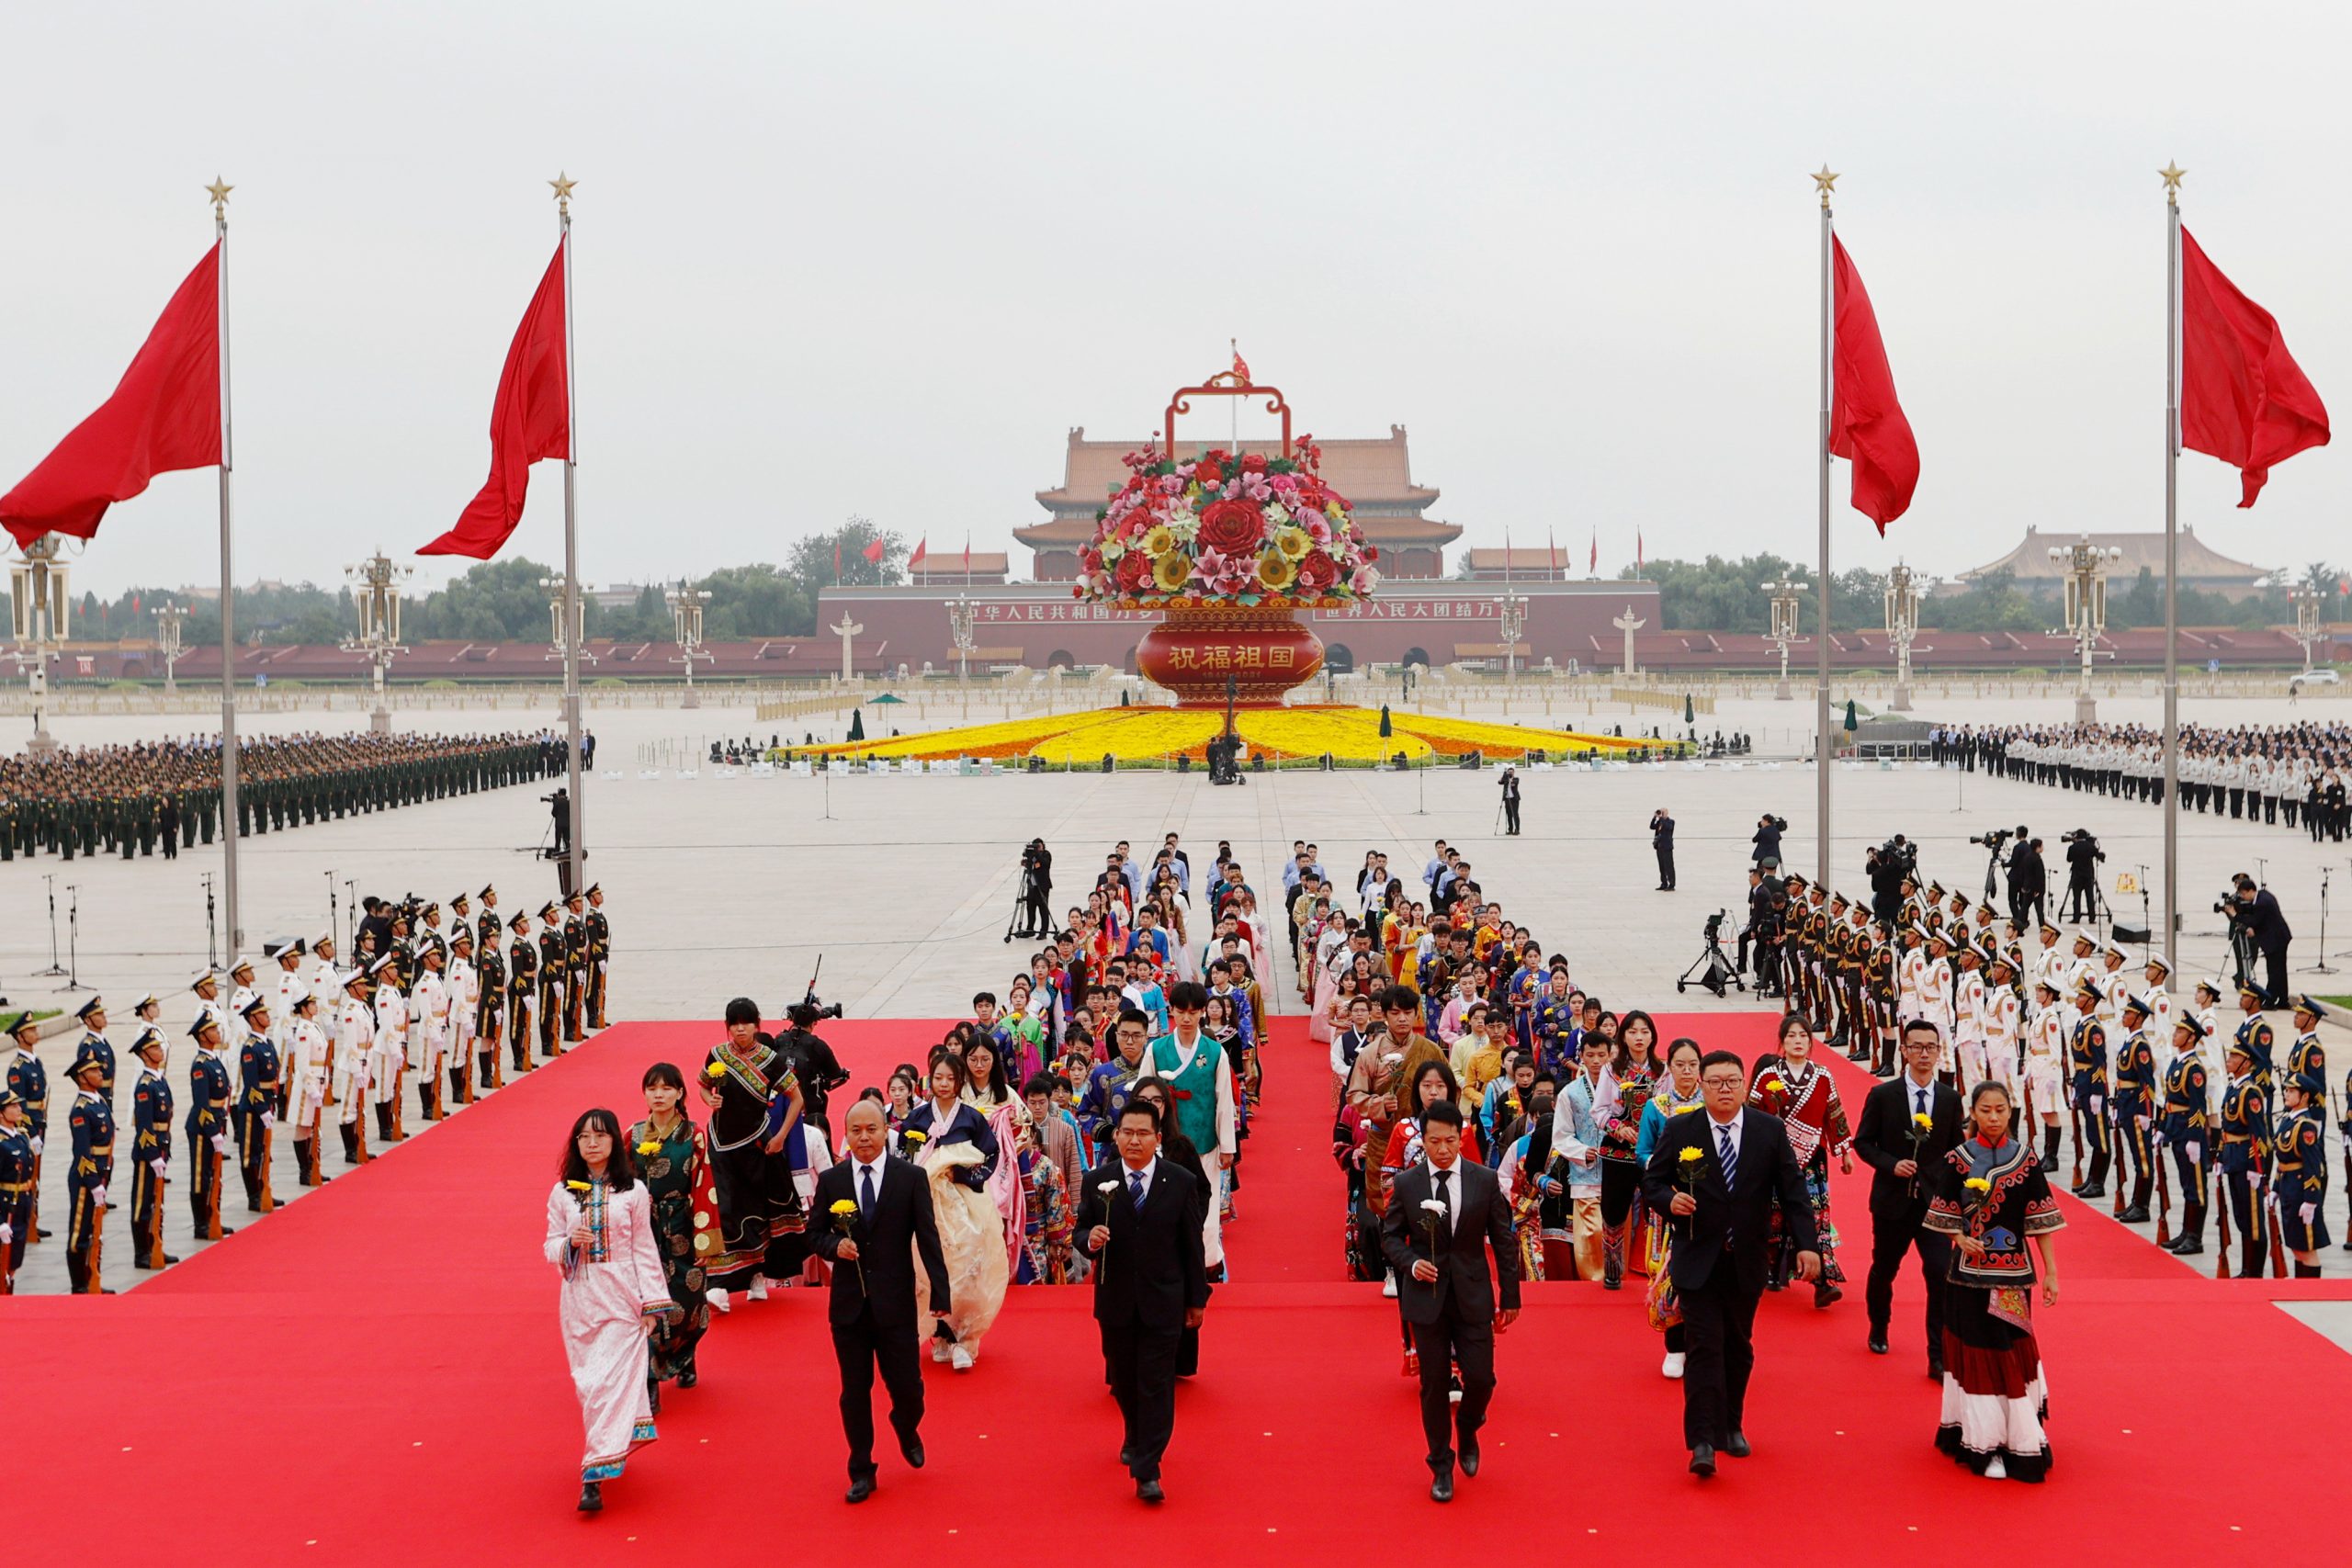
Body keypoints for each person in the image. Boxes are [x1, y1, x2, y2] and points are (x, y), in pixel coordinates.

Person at [1641, 1049, 1821, 1477]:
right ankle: (1702, 1440)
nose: (1725, 1088)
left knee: (1738, 1347)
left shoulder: (1768, 1130)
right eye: (1716, 1081)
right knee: (1703, 1346)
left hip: (1746, 1259)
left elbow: (1794, 1192)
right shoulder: (1681, 1127)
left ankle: (1731, 1425)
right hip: (1696, 1256)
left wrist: (1808, 1246)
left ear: (1745, 1085)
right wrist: (1670, 1200)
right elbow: (1652, 1181)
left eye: (1732, 1081)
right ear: (1700, 1086)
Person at [1922, 1081, 2064, 1482]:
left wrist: (2050, 1271)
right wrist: (1959, 1238)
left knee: (2011, 1349)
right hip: (1968, 1277)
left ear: (2010, 1110)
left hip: (2014, 1275)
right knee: (1980, 1354)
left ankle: (2019, 1434)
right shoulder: (1958, 1159)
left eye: (2001, 1109)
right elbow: (1942, 1213)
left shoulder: (2026, 1159)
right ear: (1974, 1112)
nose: (1995, 1117)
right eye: (1986, 1110)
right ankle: (1984, 1441)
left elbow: (2040, 1220)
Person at [1379, 1099, 1519, 1502]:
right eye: (1435, 1141)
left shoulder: (1484, 1180)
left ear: (1462, 1138)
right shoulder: (1408, 1184)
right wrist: (1412, 1262)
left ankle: (1470, 1427)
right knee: (1434, 1384)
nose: (1443, 1149)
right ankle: (1440, 1464)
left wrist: (1510, 1296)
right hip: (1426, 1298)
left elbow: (1504, 1241)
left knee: (1481, 1377)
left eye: (1450, 1141)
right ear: (1423, 1141)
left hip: (1473, 1293)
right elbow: (1389, 1238)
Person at [812, 1099, 952, 1501]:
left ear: (885, 1132)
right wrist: (834, 1245)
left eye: (871, 1129)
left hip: (895, 1305)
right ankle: (861, 1468)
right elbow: (814, 1233)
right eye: (856, 1131)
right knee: (854, 1390)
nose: (864, 1138)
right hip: (849, 1308)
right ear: (847, 1135)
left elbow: (927, 1237)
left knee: (909, 1389)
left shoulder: (909, 1178)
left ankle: (906, 1425)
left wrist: (940, 1295)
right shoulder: (833, 1180)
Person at [1077, 1099, 1208, 1505]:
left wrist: (1196, 1299)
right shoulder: (1098, 1181)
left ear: (1157, 1138)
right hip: (1115, 1299)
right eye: (1127, 1133)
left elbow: (1191, 1247)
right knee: (1124, 1381)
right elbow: (1080, 1230)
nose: (1134, 1140)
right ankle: (1134, 1432)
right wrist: (1090, 1240)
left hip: (1163, 1299)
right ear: (1116, 1137)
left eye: (1142, 1133)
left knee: (1156, 1384)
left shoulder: (1180, 1181)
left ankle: (1148, 1468)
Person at [543, 1108, 673, 1513]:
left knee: (607, 1381)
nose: (592, 1143)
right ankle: (608, 1447)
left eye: (600, 1136)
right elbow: (549, 1245)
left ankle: (593, 1472)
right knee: (590, 1383)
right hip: (580, 1295)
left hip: (622, 1295)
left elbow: (644, 1250)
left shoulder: (633, 1191)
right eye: (584, 1137)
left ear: (615, 1141)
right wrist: (570, 1243)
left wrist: (652, 1305)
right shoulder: (562, 1192)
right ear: (575, 1144)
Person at [1854, 1020, 1963, 1369]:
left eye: (1931, 1047)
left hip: (1934, 1206)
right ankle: (1879, 1326)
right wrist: (1891, 1164)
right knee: (1885, 1268)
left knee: (1939, 1274)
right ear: (1904, 1050)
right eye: (1916, 1046)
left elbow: (1956, 1151)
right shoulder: (1883, 1095)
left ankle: (1937, 1355)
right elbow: (1863, 1143)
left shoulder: (1949, 1098)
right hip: (1892, 1202)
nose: (1924, 1054)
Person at [900, 1052, 1007, 1371]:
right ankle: (942, 1333)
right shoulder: (917, 1118)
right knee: (930, 1267)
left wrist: (960, 1174)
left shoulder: (971, 1118)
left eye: (950, 1078)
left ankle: (965, 1337)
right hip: (927, 1202)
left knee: (968, 1266)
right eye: (938, 1078)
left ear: (960, 1082)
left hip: (965, 1204)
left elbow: (990, 1154)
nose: (944, 1084)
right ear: (929, 1080)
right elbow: (902, 1158)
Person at [700, 998, 806, 1309]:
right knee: (726, 1209)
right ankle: (719, 1285)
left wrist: (782, 1136)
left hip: (756, 1144)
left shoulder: (770, 1059)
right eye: (734, 1023)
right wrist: (709, 1100)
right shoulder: (717, 1055)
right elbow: (703, 1085)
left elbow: (797, 1099)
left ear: (757, 1024)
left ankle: (757, 1274)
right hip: (719, 1143)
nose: (740, 1029)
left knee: (757, 1208)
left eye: (746, 1023)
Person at [1747, 1011, 1854, 1307]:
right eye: (1791, 1036)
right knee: (1774, 1215)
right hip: (1773, 1159)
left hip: (1813, 1160)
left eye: (1803, 1036)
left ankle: (1823, 1280)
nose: (1798, 1041)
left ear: (1810, 1042)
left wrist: (1844, 1150)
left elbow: (1834, 1114)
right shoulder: (1768, 1076)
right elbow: (1751, 1113)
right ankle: (1770, 1268)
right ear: (1782, 1041)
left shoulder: (1823, 1076)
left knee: (1815, 1217)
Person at [629, 1064, 718, 1404]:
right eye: (652, 1088)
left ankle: (686, 1355)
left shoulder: (693, 1135)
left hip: (683, 1221)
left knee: (688, 1296)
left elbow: (704, 1186)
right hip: (645, 1227)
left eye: (667, 1088)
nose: (659, 1095)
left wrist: (705, 1238)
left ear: (680, 1093)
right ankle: (650, 1376)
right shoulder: (634, 1135)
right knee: (647, 1300)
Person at [1635, 1037, 1706, 1377]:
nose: (1688, 1071)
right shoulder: (1657, 1106)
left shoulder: (1713, 1105)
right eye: (1681, 1064)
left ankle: (1702, 1344)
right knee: (1670, 1274)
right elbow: (1643, 1151)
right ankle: (1675, 1346)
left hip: (1707, 1203)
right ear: (1670, 1066)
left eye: (1694, 1064)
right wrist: (1669, 1176)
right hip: (1669, 1203)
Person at [64, 1046, 116, 1293]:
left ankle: (93, 1276)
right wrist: (93, 1182)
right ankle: (79, 1283)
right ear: (82, 1077)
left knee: (95, 1229)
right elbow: (83, 1154)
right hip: (87, 1177)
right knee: (80, 1230)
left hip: (101, 1171)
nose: (100, 1072)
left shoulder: (100, 1101)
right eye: (94, 1070)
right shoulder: (80, 1110)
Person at [2273, 1072, 2331, 1276]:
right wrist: (2275, 1189)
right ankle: (2300, 1288)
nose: (2286, 1094)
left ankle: (2311, 1291)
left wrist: (2311, 1200)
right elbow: (2283, 1160)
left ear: (2305, 1096)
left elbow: (2313, 1165)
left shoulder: (2306, 1126)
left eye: (2291, 1091)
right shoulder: (2288, 1121)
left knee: (2306, 1248)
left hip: (2300, 1191)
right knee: (2296, 1245)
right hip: (2289, 1188)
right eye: (2286, 1090)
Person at [2233, 876, 2293, 1008]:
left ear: (2250, 891)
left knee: (2274, 971)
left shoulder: (2262, 903)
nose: (2243, 898)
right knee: (2280, 970)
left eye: (2243, 894)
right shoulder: (2264, 895)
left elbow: (2254, 921)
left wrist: (2234, 914)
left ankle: (2270, 1001)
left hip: (2275, 940)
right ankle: (2283, 1000)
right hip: (2279, 936)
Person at [1650, 807, 1677, 891]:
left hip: (1667, 847)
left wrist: (1661, 818)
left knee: (1669, 866)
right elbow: (1652, 827)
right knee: (1662, 867)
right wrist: (1654, 817)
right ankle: (1664, 883)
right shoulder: (1659, 822)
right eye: (1660, 812)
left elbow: (1668, 828)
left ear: (1667, 813)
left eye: (1663, 812)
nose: (1661, 813)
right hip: (1659, 847)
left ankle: (1671, 884)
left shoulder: (1671, 822)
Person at [1498, 766, 1521, 836]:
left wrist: (1510, 779)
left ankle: (1517, 830)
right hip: (1507, 799)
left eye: (1511, 772)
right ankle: (1510, 830)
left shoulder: (1516, 779)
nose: (1510, 773)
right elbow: (1499, 782)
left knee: (1515, 815)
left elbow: (1513, 784)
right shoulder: (1506, 779)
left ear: (1514, 773)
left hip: (1514, 799)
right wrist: (1504, 776)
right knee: (1509, 815)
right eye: (1509, 772)